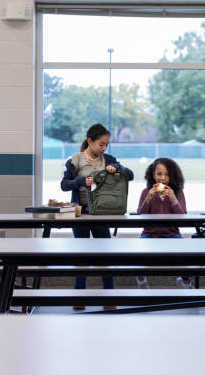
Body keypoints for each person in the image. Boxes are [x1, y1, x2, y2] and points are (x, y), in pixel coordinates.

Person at [60, 124, 134, 308]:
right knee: (81, 258)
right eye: (101, 144)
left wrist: (116, 168)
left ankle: (109, 298)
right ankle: (79, 299)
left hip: (102, 214)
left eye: (106, 145)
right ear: (90, 141)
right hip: (81, 214)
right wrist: (81, 181)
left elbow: (130, 175)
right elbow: (64, 185)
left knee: (105, 257)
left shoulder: (108, 159)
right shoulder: (74, 160)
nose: (104, 148)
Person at [136, 158, 188, 289]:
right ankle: (141, 281)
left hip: (172, 234)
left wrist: (173, 198)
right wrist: (148, 197)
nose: (163, 178)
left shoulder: (178, 193)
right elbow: (141, 214)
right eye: (159, 174)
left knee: (189, 254)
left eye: (167, 175)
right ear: (153, 175)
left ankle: (186, 281)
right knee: (136, 255)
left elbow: (182, 216)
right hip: (149, 234)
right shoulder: (146, 192)